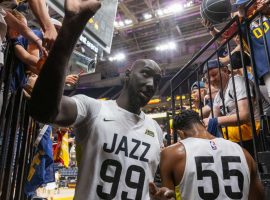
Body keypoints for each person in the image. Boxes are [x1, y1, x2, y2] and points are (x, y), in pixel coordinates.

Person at [29, 1, 164, 199]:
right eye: (145, 73)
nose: (152, 84)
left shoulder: (156, 131)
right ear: (126, 75)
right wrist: (70, 31)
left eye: (157, 80)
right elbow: (43, 110)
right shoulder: (94, 109)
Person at [149, 110, 264, 200]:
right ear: (203, 124)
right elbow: (258, 196)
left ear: (180, 133)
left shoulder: (171, 154)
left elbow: (168, 195)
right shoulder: (243, 153)